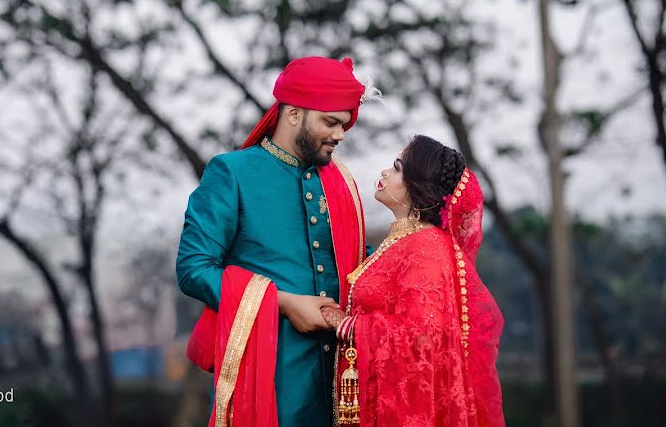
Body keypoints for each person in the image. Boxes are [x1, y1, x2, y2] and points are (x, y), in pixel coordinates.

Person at [177, 57, 373, 427]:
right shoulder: (232, 172)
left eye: (344, 125)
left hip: (345, 384)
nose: (340, 135)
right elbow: (192, 268)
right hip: (270, 383)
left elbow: (355, 261)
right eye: (330, 122)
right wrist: (283, 302)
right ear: (294, 114)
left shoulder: (340, 181)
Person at [321, 135, 505, 426]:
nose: (385, 172)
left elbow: (422, 336)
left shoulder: (426, 248)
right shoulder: (402, 242)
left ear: (419, 187)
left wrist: (344, 324)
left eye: (397, 168)